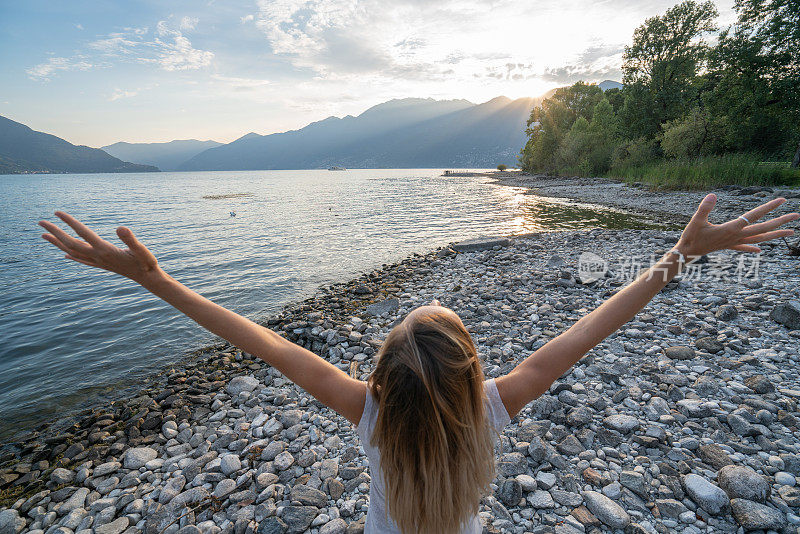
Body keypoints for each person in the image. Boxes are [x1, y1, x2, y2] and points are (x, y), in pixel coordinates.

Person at [39, 194, 797, 534]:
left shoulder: (364, 411)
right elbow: (594, 327)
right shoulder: (493, 408)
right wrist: (679, 257)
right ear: (474, 375)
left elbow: (262, 343)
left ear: (377, 382)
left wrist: (156, 280)